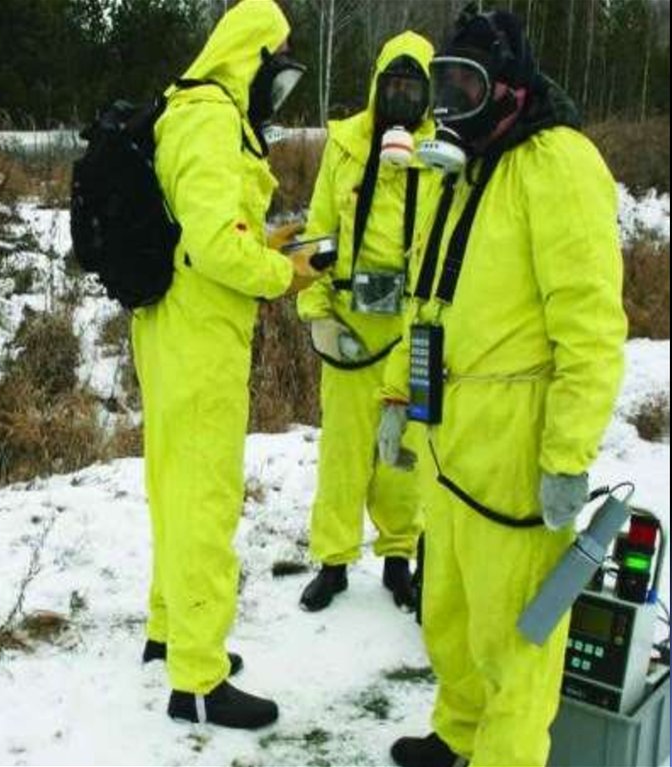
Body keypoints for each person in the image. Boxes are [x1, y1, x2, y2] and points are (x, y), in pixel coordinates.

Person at [376, 7, 626, 766]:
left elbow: (589, 328)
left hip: (519, 453)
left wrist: (567, 454)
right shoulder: (463, 168)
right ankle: (458, 730)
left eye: (467, 85)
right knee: (447, 614)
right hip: (451, 441)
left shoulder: (559, 164)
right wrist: (396, 395)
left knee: (515, 636)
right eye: (442, 86)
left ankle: (505, 753)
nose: (451, 104)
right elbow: (428, 297)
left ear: (511, 90)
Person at [131, 0, 322, 730]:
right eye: (275, 67)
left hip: (170, 322)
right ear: (253, 55)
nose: (276, 89)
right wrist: (288, 273)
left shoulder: (184, 111)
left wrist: (272, 243)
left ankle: (169, 632)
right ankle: (199, 679)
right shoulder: (212, 119)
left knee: (171, 483)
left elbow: (203, 229)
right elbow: (214, 245)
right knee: (206, 498)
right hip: (200, 333)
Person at [296, 31, 438, 613]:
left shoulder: (442, 153)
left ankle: (399, 558)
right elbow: (318, 226)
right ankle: (333, 562)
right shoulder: (346, 145)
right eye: (393, 86)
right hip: (351, 328)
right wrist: (316, 310)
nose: (401, 98)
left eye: (413, 88)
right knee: (343, 451)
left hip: (410, 329)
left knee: (404, 455)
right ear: (377, 86)